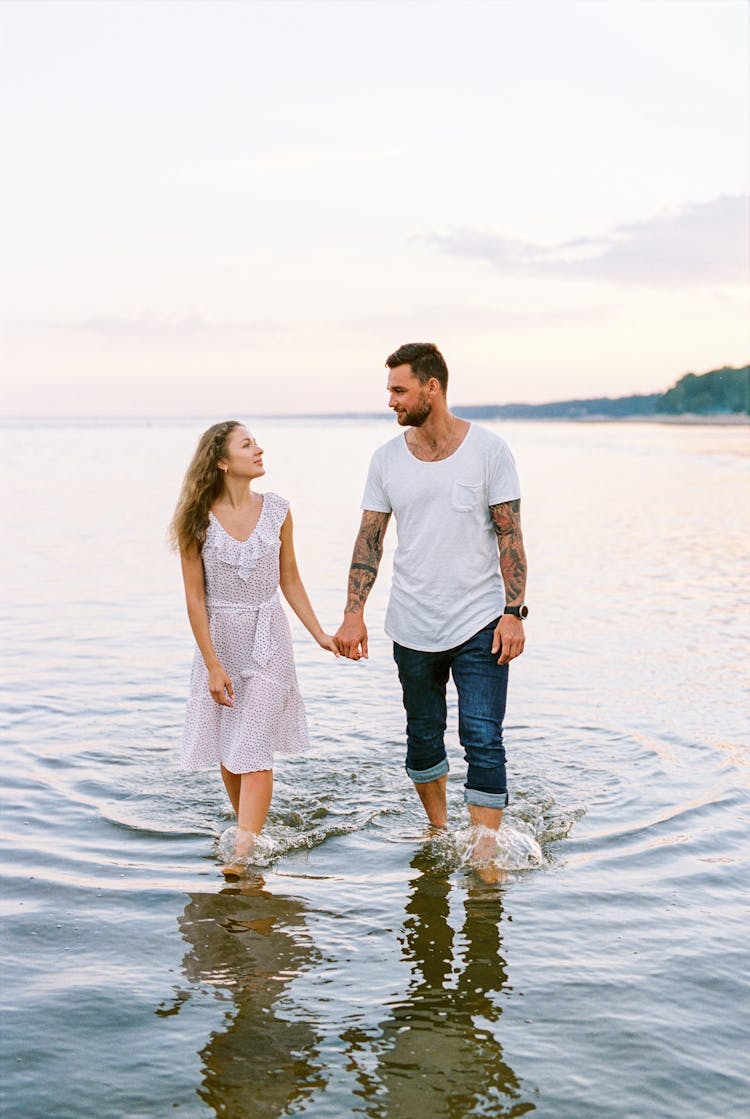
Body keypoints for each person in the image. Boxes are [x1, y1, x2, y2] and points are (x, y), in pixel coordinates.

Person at [335, 343, 527, 860]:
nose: (392, 401)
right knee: (422, 735)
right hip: (412, 621)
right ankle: (440, 829)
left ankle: (485, 850)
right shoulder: (386, 460)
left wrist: (513, 614)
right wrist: (354, 613)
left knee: (483, 735)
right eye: (390, 391)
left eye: (399, 390)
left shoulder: (489, 450)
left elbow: (510, 537)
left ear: (431, 387)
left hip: (481, 620)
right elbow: (369, 539)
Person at [170, 420, 337, 876]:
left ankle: (242, 857)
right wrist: (212, 665)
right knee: (231, 750)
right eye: (248, 444)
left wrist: (319, 633)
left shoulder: (278, 509)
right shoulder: (194, 519)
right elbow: (194, 599)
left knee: (253, 747)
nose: (259, 449)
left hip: (270, 641)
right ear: (222, 460)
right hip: (220, 641)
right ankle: (250, 832)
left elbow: (290, 579)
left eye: (256, 442)